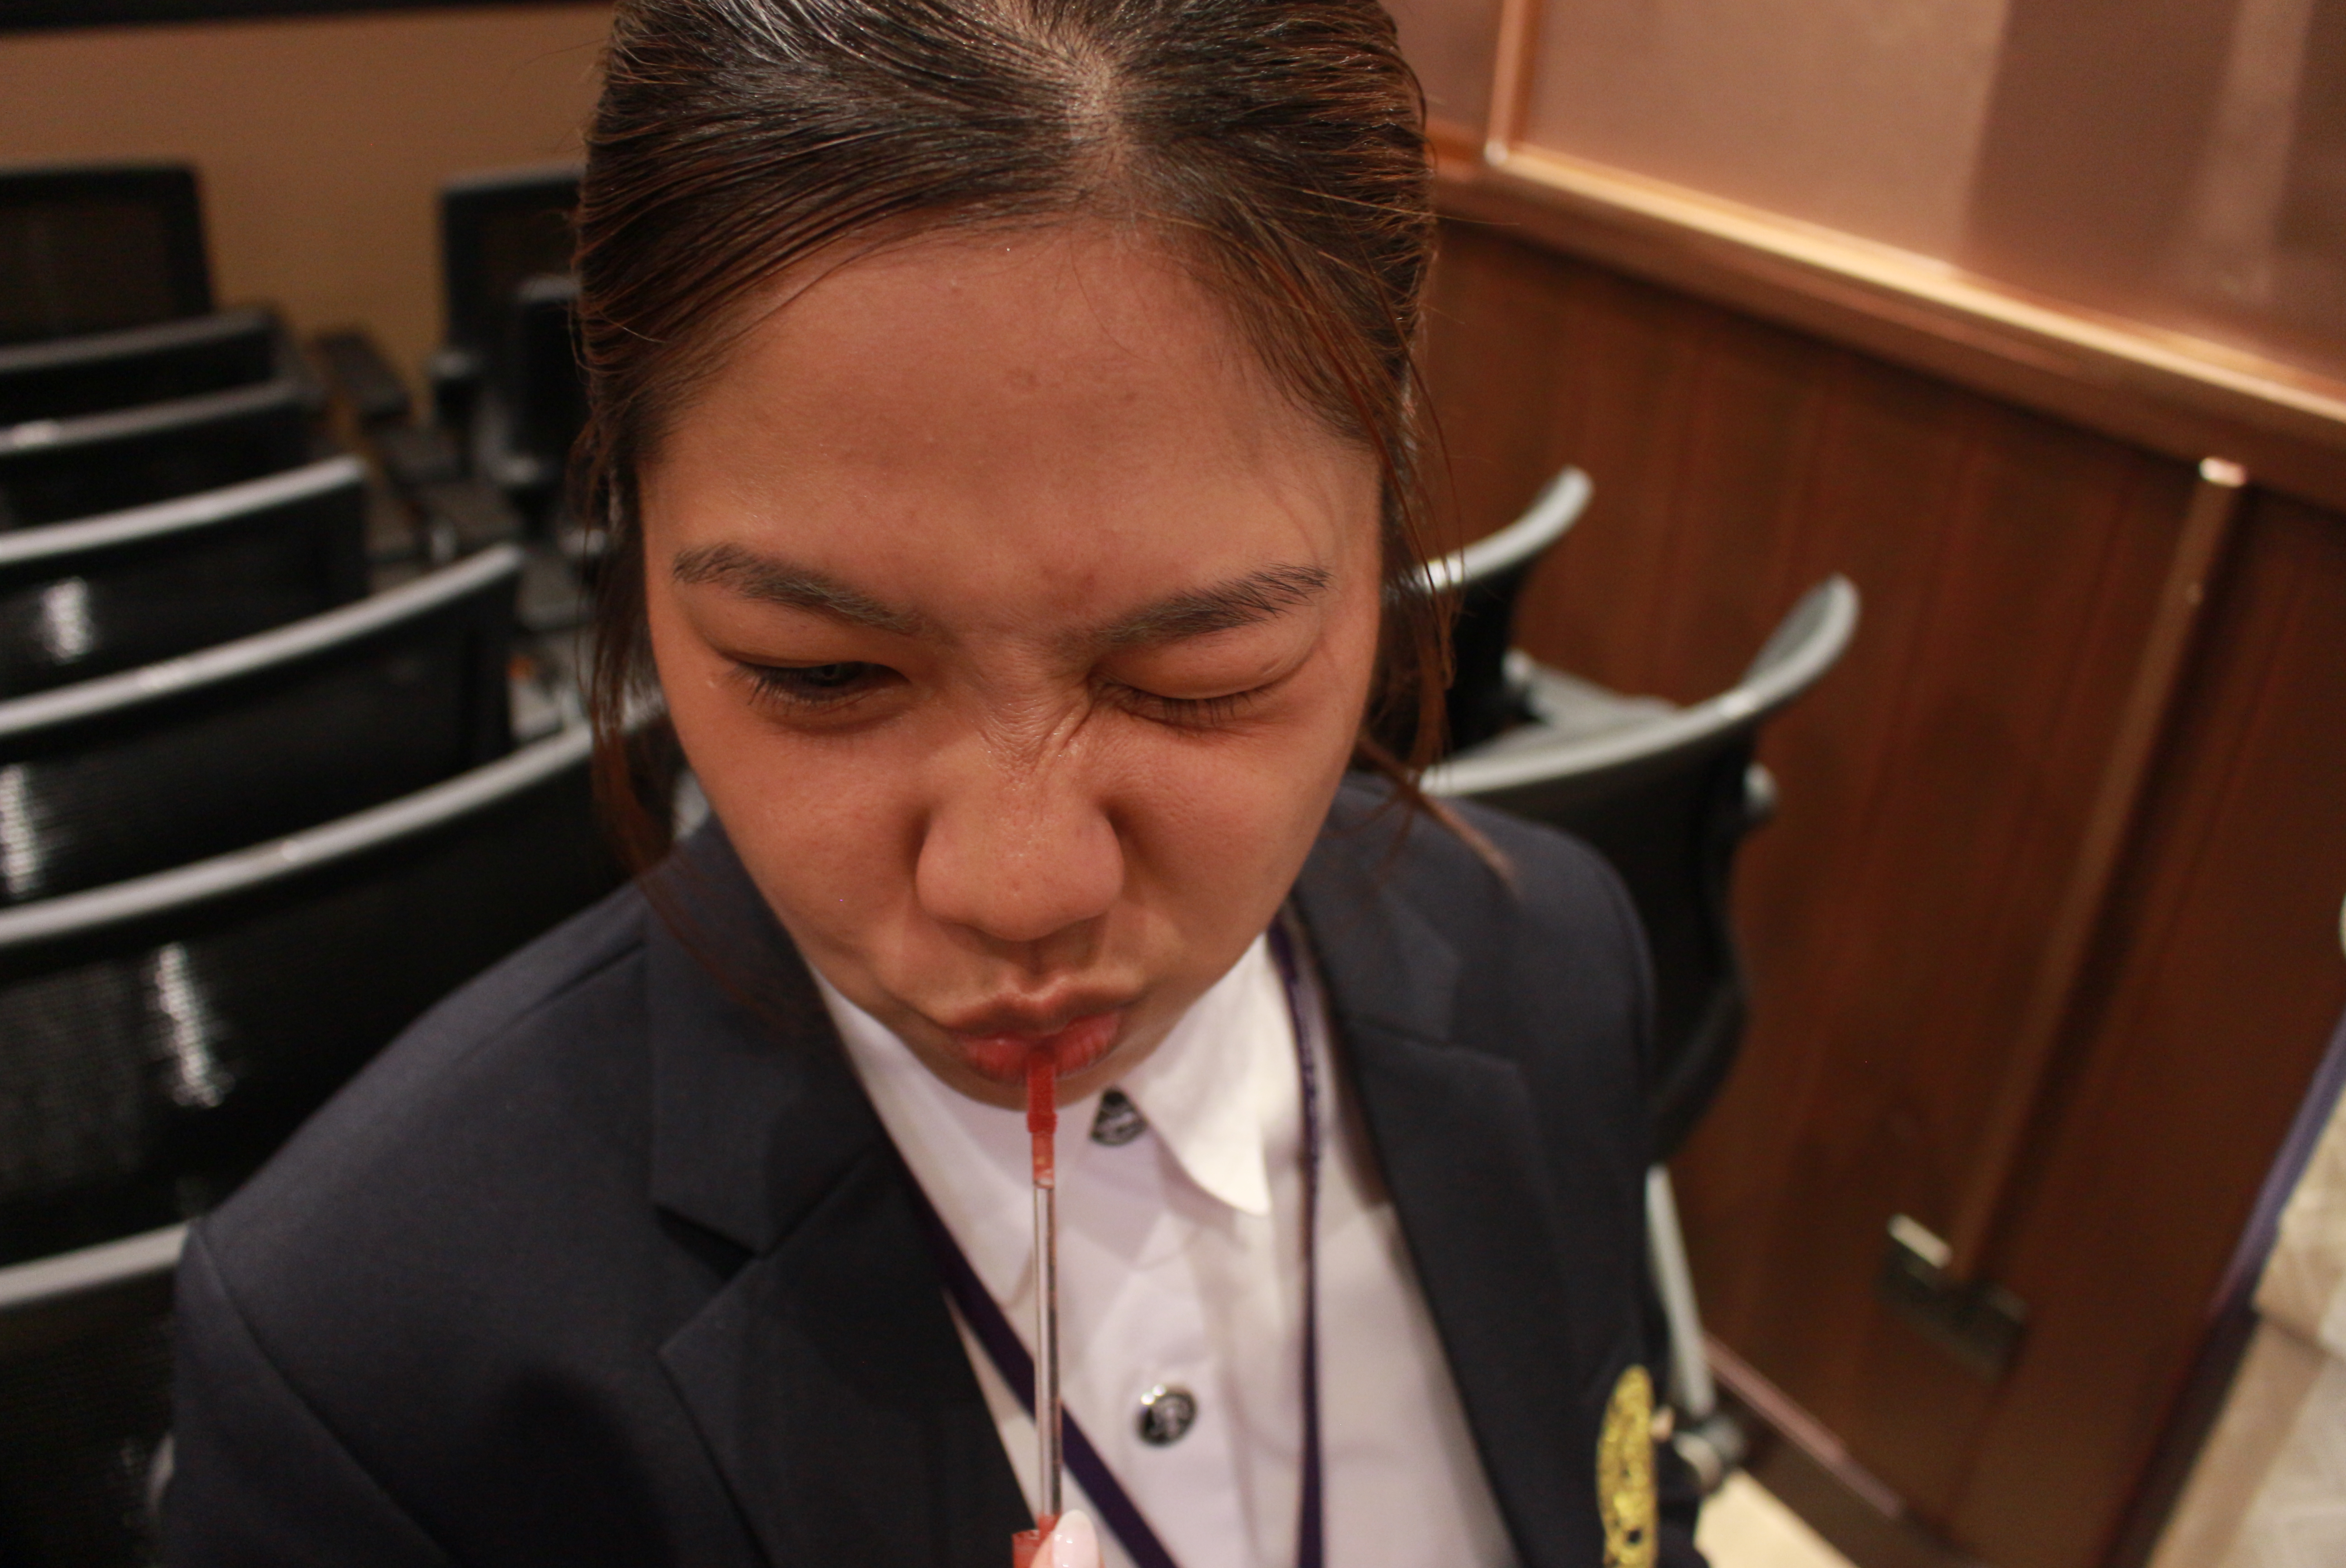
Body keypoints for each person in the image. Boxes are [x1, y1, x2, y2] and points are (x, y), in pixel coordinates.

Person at [162, 1, 1703, 1564]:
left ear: (1384, 544)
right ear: (634, 538)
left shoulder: (1553, 958)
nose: (1018, 889)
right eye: (821, 675)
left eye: (1198, 676)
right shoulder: (368, 1361)